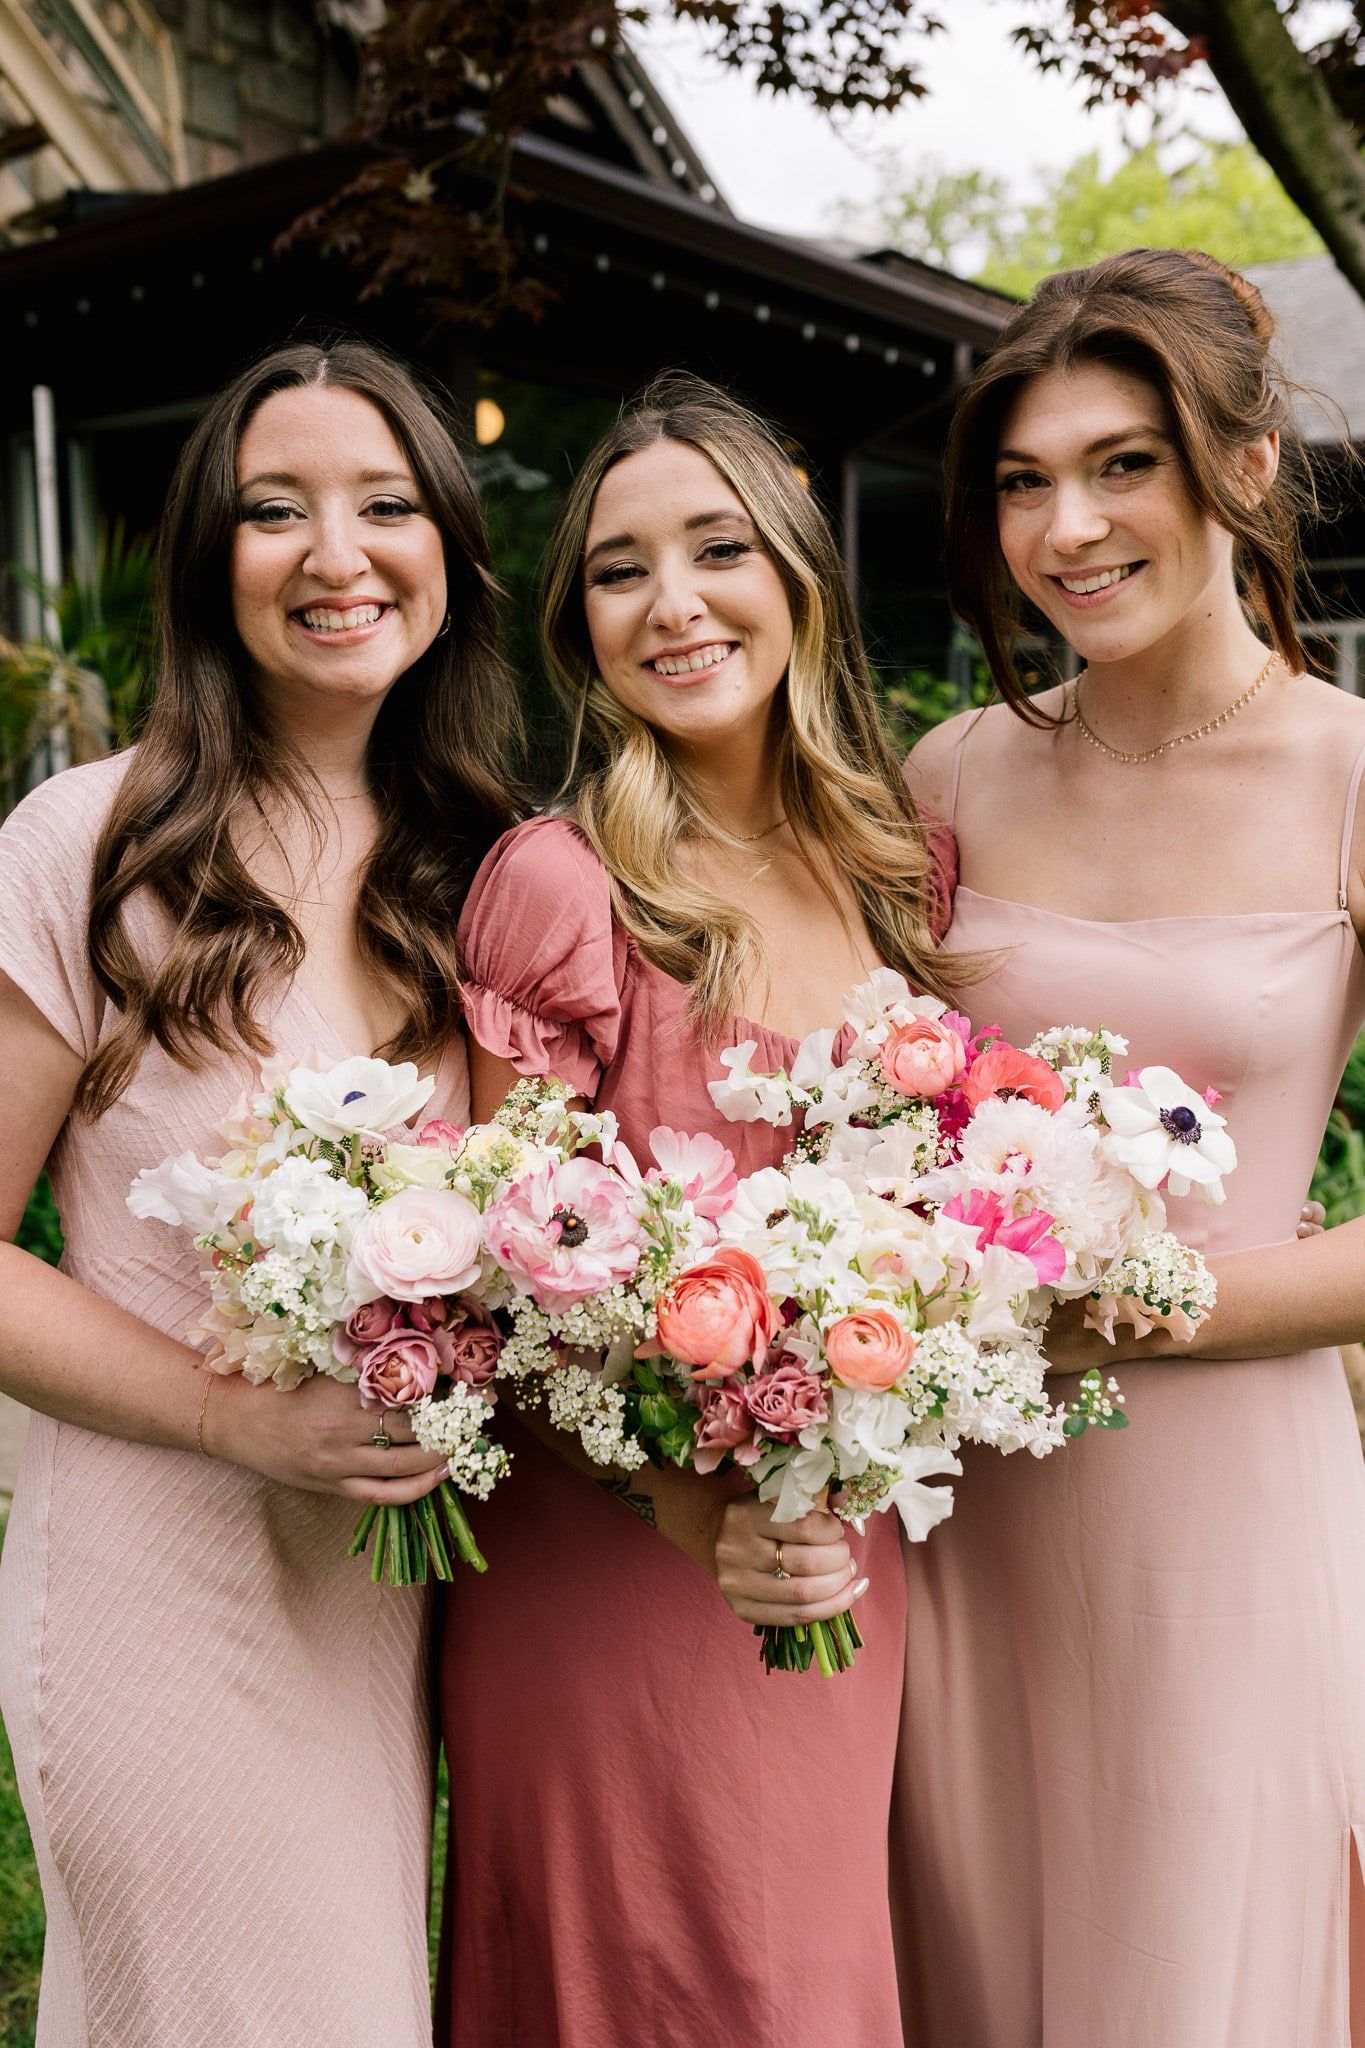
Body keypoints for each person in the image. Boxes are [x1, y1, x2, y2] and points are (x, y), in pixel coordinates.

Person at [0, 338, 521, 2047]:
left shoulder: (494, 869)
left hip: (380, 1596)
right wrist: (232, 1419)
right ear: (209, 562)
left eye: (383, 505)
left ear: (447, 545)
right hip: (159, 1571)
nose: (336, 553)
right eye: (272, 510)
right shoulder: (88, 846)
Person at [435, 374, 956, 2048]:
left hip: (836, 1552)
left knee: (807, 1981)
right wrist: (690, 1507)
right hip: (618, 1560)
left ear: (797, 573)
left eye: (716, 546)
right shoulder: (562, 881)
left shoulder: (898, 866)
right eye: (617, 568)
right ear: (579, 629)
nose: (672, 603)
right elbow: (506, 1293)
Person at [896, 247, 1365, 2048]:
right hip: (965, 1504)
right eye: (1022, 480)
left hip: (1224, 1507)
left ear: (1240, 471)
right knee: (975, 1939)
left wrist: (1127, 1315)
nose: (1064, 527)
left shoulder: (1346, 776)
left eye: (1120, 466)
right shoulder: (951, 774)